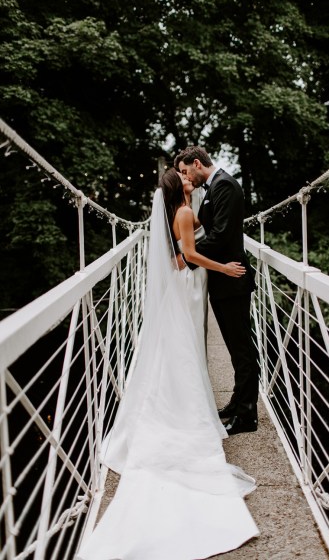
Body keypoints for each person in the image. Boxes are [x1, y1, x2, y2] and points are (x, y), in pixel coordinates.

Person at [76, 169, 259, 560]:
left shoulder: (185, 206)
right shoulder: (179, 211)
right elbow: (190, 253)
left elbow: (199, 237)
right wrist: (225, 267)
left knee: (186, 348)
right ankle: (183, 411)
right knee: (184, 349)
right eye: (181, 173)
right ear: (181, 185)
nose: (184, 173)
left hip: (190, 284)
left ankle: (185, 404)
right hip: (190, 283)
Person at [174, 146, 260, 436]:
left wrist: (187, 256)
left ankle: (247, 414)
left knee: (242, 349)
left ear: (197, 163)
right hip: (222, 282)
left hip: (232, 280)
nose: (186, 176)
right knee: (236, 349)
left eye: (186, 171)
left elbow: (221, 236)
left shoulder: (225, 186)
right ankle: (237, 403)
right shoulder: (213, 188)